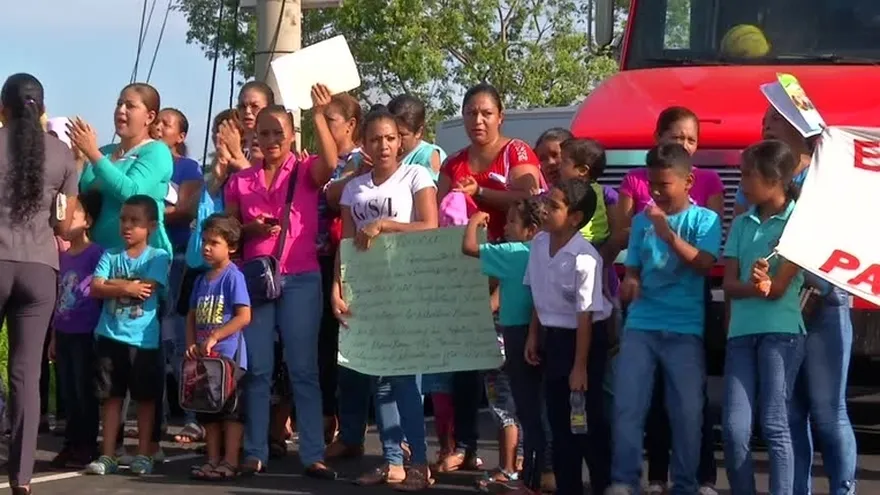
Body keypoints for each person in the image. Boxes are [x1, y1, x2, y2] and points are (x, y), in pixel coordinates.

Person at [738, 107, 857, 495]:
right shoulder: (758, 175)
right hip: (779, 312)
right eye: (765, 119)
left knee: (828, 411)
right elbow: (745, 231)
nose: (765, 124)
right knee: (789, 414)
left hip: (824, 303)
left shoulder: (828, 174)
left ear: (797, 125)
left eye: (773, 119)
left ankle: (844, 488)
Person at [224, 85, 340, 479]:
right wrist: (250, 228)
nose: (272, 140)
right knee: (258, 369)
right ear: (255, 136)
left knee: (303, 368)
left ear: (292, 136)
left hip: (301, 276)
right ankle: (255, 451)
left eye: (279, 133)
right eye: (265, 133)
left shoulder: (305, 170)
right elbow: (227, 233)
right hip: (256, 280)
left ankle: (312, 453)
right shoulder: (241, 181)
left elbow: (331, 161)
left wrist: (321, 115)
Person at [610, 106, 723, 495]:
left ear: (689, 181)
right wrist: (632, 282)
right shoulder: (642, 220)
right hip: (641, 324)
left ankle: (687, 484)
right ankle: (625, 481)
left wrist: (668, 232)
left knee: (688, 412)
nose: (656, 193)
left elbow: (704, 265)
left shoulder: (704, 220)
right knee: (628, 406)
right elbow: (635, 266)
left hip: (684, 328)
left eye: (665, 185)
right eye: (652, 185)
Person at [438, 83, 543, 473]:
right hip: (466, 277)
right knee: (464, 367)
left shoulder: (516, 152)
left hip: (511, 275)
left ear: (501, 117)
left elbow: (530, 197)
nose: (478, 120)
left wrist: (480, 192)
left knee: (511, 373)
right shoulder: (453, 163)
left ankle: (520, 462)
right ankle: (463, 446)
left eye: (486, 113)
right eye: (470, 112)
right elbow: (438, 215)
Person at [332, 105, 438, 490]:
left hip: (407, 287)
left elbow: (430, 227)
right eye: (375, 139)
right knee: (378, 378)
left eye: (390, 138)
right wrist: (336, 287)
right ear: (363, 143)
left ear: (401, 140)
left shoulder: (417, 175)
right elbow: (344, 241)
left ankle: (419, 464)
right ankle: (393, 461)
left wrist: (384, 224)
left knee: (404, 378)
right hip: (367, 290)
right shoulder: (354, 187)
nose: (383, 146)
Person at [0, 73, 80, 495]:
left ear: (3, 108)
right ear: (42, 109)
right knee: (26, 375)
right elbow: (64, 222)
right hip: (38, 269)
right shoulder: (63, 155)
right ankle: (22, 477)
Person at [721, 140, 806, 495]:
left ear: (774, 178)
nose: (741, 181)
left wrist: (765, 285)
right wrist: (753, 286)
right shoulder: (742, 224)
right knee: (734, 427)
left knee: (774, 423)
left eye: (747, 174)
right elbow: (728, 283)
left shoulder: (800, 222)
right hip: (741, 333)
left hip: (781, 333)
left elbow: (780, 289)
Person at [523, 178, 613, 495]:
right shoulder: (537, 244)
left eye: (555, 206)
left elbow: (585, 315)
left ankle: (604, 485)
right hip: (554, 338)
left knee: (586, 423)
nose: (545, 209)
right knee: (560, 423)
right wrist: (534, 334)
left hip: (584, 341)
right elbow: (538, 292)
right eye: (546, 201)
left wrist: (580, 366)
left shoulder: (585, 257)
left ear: (575, 217)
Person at [84, 195, 171, 477]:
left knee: (145, 399)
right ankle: (108, 454)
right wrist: (125, 287)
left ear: (152, 227)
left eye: (135, 221)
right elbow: (95, 287)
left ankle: (143, 452)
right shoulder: (109, 254)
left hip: (143, 342)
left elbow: (146, 288)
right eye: (124, 219)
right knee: (111, 397)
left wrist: (114, 284)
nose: (127, 226)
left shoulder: (158, 256)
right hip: (110, 336)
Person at [461, 200, 544, 493]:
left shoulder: (513, 253)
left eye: (511, 221)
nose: (505, 227)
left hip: (512, 337)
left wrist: (473, 221)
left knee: (509, 409)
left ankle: (511, 470)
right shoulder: (541, 252)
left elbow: (469, 247)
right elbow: (501, 294)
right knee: (528, 408)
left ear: (531, 229)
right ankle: (521, 467)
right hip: (533, 334)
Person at [150, 106, 205, 443]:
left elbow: (184, 210)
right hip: (148, 259)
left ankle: (193, 415)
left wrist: (148, 215)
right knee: (152, 339)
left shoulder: (188, 167)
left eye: (166, 125)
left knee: (180, 340)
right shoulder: (141, 160)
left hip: (179, 259)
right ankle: (156, 414)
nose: (158, 128)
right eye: (156, 122)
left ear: (180, 136)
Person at [70, 82, 173, 255]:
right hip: (97, 256)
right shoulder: (105, 152)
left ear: (149, 117)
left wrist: (93, 154)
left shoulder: (156, 151)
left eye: (130, 106)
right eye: (119, 104)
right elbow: (81, 197)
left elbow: (133, 193)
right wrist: (78, 161)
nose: (121, 110)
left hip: (142, 259)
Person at [186, 213, 252, 481]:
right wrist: (191, 342)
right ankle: (212, 460)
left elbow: (244, 315)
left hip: (228, 359)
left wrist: (216, 336)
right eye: (204, 241)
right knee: (208, 411)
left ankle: (231, 461)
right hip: (205, 360)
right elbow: (191, 314)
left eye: (214, 242)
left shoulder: (233, 277)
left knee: (231, 412)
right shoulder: (200, 280)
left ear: (232, 247)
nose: (207, 247)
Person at [48, 191, 104, 469]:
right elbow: (59, 297)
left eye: (74, 214)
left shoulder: (97, 253)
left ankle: (86, 444)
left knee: (84, 389)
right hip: (65, 330)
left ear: (88, 221)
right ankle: (70, 443)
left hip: (86, 331)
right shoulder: (62, 256)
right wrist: (55, 336)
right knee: (68, 391)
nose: (66, 220)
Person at [217, 81, 275, 173]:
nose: (247, 111)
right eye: (242, 106)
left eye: (254, 106)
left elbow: (259, 185)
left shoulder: (274, 146)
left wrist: (237, 154)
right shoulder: (240, 147)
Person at [387, 94, 446, 180]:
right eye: (391, 135)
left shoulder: (427, 154)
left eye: (402, 135)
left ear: (419, 132)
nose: (395, 140)